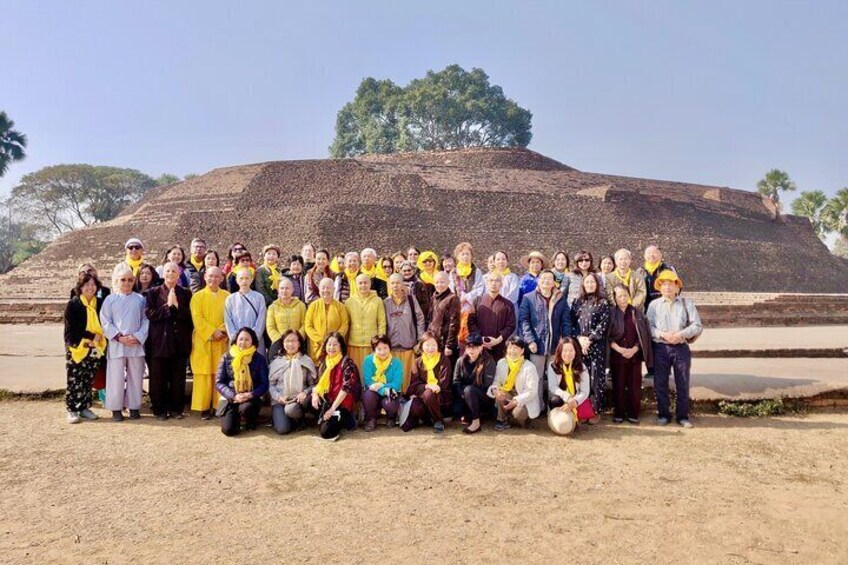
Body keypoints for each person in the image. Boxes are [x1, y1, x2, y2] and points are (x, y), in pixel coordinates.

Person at [647, 270, 702, 428]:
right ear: (659, 288)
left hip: (680, 348)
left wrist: (680, 334)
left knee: (683, 382)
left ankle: (682, 416)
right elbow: (649, 327)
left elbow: (697, 325)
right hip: (661, 348)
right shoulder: (654, 305)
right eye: (664, 285)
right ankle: (663, 414)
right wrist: (662, 334)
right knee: (660, 383)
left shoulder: (687, 303)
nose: (667, 288)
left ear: (677, 287)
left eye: (671, 284)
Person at [145, 262, 194, 420]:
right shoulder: (153, 292)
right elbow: (150, 314)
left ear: (179, 274)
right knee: (158, 378)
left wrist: (178, 306)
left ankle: (176, 409)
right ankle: (160, 410)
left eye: (174, 271)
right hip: (159, 341)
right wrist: (167, 306)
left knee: (177, 377)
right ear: (162, 274)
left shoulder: (186, 293)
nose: (171, 274)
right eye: (168, 271)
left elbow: (189, 317)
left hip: (179, 341)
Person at [100, 264, 149, 421]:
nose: (126, 283)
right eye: (123, 280)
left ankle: (134, 406)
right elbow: (105, 321)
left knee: (136, 376)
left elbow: (146, 320)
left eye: (129, 280)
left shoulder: (140, 299)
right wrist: (118, 337)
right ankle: (116, 408)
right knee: (116, 377)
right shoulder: (110, 299)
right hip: (117, 344)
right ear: (117, 281)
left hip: (135, 343)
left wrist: (138, 336)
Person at [518, 269, 571, 411]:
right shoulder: (528, 298)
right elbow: (524, 321)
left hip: (555, 345)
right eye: (543, 278)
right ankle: (538, 407)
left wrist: (564, 343)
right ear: (538, 281)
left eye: (549, 279)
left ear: (554, 282)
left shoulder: (561, 299)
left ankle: (553, 409)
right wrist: (530, 340)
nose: (546, 281)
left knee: (555, 378)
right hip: (537, 345)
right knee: (537, 378)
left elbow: (566, 322)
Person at [64, 271, 108, 424]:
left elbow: (106, 322)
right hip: (78, 348)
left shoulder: (100, 303)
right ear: (80, 287)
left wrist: (97, 338)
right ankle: (72, 409)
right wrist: (90, 336)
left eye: (93, 284)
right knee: (75, 379)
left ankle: (84, 407)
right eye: (86, 285)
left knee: (88, 378)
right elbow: (71, 329)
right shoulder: (74, 304)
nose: (90, 287)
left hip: (96, 347)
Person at [189, 267, 230, 419]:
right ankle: (203, 407)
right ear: (205, 277)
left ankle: (218, 406)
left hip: (221, 340)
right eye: (210, 276)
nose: (213, 279)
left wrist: (222, 331)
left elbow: (230, 318)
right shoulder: (197, 297)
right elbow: (197, 319)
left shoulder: (227, 296)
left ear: (222, 278)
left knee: (219, 373)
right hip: (203, 340)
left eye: (217, 276)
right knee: (204, 374)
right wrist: (212, 332)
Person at [609, 284, 654, 424]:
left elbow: (643, 334)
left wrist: (635, 349)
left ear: (629, 296)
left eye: (625, 295)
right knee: (619, 385)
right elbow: (607, 335)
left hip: (634, 355)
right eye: (619, 296)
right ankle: (619, 413)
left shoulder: (637, 313)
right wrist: (619, 349)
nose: (622, 298)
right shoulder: (611, 313)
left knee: (635, 386)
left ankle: (633, 413)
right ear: (615, 298)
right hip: (617, 355)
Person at [571, 273, 611, 421]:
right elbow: (572, 323)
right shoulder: (577, 302)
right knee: (580, 378)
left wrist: (590, 339)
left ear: (597, 284)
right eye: (586, 282)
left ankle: (595, 412)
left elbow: (604, 325)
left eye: (592, 282)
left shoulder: (603, 303)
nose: (589, 284)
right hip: (579, 345)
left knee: (596, 379)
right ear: (582, 284)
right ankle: (583, 412)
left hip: (596, 346)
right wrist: (580, 338)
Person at [216, 327, 269, 436]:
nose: (243, 343)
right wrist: (233, 396)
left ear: (253, 341)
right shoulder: (226, 357)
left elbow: (264, 384)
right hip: (232, 397)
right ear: (235, 340)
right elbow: (219, 382)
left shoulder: (259, 359)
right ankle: (235, 417)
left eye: (247, 339)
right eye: (240, 339)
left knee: (246, 408)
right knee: (228, 430)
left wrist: (250, 394)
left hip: (250, 397)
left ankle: (249, 419)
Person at [310, 332, 361, 441]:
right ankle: (326, 418)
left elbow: (346, 388)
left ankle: (346, 419)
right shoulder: (324, 362)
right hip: (327, 400)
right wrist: (314, 394)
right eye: (329, 344)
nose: (331, 348)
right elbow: (317, 383)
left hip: (341, 403)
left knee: (326, 432)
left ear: (341, 346)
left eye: (335, 345)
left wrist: (333, 408)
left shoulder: (347, 363)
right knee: (308, 401)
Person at [401, 332, 452, 433]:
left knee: (429, 394)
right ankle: (426, 420)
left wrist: (434, 388)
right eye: (427, 345)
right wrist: (427, 386)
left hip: (440, 396)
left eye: (434, 345)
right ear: (422, 346)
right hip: (423, 394)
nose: (430, 348)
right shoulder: (417, 362)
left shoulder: (444, 360)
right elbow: (414, 385)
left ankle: (438, 420)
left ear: (438, 345)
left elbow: (444, 382)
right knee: (415, 404)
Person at [268, 329, 316, 435]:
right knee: (282, 429)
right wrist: (278, 397)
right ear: (283, 343)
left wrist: (305, 393)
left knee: (291, 410)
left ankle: (299, 418)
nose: (290, 344)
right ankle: (284, 419)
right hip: (280, 401)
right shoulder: (277, 362)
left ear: (299, 343)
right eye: (287, 341)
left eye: (294, 341)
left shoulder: (306, 360)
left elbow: (313, 385)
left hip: (297, 401)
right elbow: (271, 385)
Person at [487, 336, 540, 430]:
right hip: (508, 394)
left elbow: (531, 391)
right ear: (506, 350)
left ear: (522, 350)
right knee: (500, 394)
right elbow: (496, 381)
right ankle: (502, 420)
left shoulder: (529, 367)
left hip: (522, 399)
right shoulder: (501, 363)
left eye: (516, 348)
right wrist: (495, 390)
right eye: (510, 348)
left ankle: (524, 421)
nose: (512, 351)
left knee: (518, 414)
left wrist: (516, 401)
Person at [384, 273, 426, 391]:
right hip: (392, 350)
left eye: (398, 283)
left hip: (409, 348)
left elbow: (420, 319)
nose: (395, 286)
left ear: (403, 284)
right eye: (392, 283)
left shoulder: (411, 300)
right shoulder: (385, 302)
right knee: (393, 381)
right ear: (389, 285)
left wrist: (419, 340)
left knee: (408, 381)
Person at [452, 332, 496, 434]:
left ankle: (476, 422)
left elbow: (487, 385)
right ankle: (470, 414)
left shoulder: (488, 361)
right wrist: (463, 394)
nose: (471, 350)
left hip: (483, 397)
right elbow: (456, 381)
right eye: (469, 347)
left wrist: (469, 393)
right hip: (464, 395)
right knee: (456, 409)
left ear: (481, 347)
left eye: (475, 347)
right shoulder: (460, 361)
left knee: (469, 390)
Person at [546, 337, 592, 434]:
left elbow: (585, 391)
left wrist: (574, 401)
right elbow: (553, 387)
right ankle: (559, 420)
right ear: (559, 352)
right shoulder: (553, 366)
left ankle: (574, 418)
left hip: (577, 400)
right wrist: (567, 397)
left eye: (571, 350)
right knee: (555, 400)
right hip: (562, 398)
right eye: (565, 351)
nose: (568, 354)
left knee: (587, 401)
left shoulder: (582, 367)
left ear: (576, 352)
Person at [468, 272, 516, 362]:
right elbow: (471, 322)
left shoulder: (507, 304)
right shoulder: (477, 301)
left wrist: (497, 340)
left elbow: (511, 325)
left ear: (501, 284)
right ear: (487, 282)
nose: (494, 283)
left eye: (497, 281)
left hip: (499, 346)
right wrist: (480, 339)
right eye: (491, 280)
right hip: (479, 346)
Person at [345, 274, 387, 372]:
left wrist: (380, 342)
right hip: (354, 344)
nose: (363, 285)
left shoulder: (378, 301)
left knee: (372, 372)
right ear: (356, 285)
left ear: (370, 284)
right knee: (355, 372)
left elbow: (381, 322)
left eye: (365, 282)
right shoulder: (349, 302)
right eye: (360, 283)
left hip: (371, 344)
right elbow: (347, 323)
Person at [361, 334, 403, 431]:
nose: (382, 351)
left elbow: (396, 384)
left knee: (391, 401)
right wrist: (384, 390)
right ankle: (371, 419)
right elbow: (368, 382)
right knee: (368, 395)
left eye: (385, 348)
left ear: (390, 348)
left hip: (390, 391)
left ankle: (391, 417)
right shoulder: (368, 360)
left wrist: (381, 385)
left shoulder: (396, 363)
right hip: (373, 391)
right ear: (374, 350)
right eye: (379, 349)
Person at [224, 267, 267, 355]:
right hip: (237, 344)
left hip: (255, 342)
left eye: (247, 278)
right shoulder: (230, 299)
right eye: (241, 278)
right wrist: (236, 339)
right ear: (236, 280)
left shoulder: (259, 297)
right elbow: (228, 321)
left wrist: (253, 338)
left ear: (252, 279)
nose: (244, 281)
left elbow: (261, 320)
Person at [449, 242, 484, 349]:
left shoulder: (476, 271)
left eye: (467, 254)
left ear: (471, 256)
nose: (465, 256)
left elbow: (480, 288)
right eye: (462, 254)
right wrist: (459, 299)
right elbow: (450, 288)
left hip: (472, 307)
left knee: (471, 333)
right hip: (457, 307)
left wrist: (468, 297)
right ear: (458, 256)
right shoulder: (453, 272)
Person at [304, 278, 350, 359]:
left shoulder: (340, 307)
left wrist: (335, 340)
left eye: (328, 288)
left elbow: (344, 325)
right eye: (323, 287)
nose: (326, 290)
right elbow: (308, 326)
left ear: (334, 289)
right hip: (317, 346)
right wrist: (321, 340)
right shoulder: (313, 306)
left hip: (334, 347)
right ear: (319, 289)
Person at [427, 271, 461, 367]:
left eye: (442, 282)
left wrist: (449, 345)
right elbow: (430, 318)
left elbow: (455, 322)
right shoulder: (434, 296)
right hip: (434, 340)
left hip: (445, 341)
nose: (439, 285)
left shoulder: (453, 298)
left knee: (445, 369)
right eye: (437, 282)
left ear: (448, 282)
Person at [266, 277, 307, 352]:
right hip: (278, 345)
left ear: (292, 290)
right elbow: (270, 327)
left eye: (287, 288)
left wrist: (296, 340)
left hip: (297, 345)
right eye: (282, 288)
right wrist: (281, 341)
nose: (284, 291)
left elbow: (304, 324)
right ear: (278, 290)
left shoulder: (301, 305)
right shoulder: (272, 307)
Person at [637, 245, 675, 311]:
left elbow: (676, 287)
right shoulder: (640, 271)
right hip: (645, 305)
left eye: (654, 252)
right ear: (644, 256)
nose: (651, 255)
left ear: (660, 255)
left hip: (664, 304)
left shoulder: (668, 269)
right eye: (648, 253)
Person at [403, 259, 433, 324]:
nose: (407, 272)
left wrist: (419, 316)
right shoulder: (399, 284)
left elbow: (425, 303)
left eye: (409, 270)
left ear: (413, 270)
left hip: (418, 318)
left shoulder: (420, 284)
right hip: (403, 318)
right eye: (404, 271)